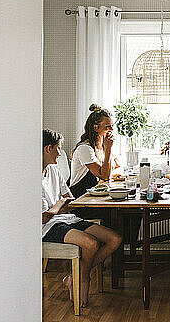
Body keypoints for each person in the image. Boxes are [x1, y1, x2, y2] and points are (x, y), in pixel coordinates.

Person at [41, 129, 122, 307]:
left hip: (66, 218)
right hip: (47, 228)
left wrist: (58, 206)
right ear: (48, 149)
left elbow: (70, 198)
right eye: (58, 148)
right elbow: (43, 217)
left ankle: (75, 276)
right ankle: (83, 280)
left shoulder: (53, 170)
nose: (60, 153)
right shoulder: (31, 177)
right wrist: (58, 206)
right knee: (91, 243)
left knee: (114, 239)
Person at [69, 104, 120, 198]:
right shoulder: (85, 148)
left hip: (95, 194)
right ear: (96, 127)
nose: (112, 130)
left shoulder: (101, 146)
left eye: (112, 126)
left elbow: (116, 165)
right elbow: (105, 175)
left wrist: (107, 149)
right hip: (81, 197)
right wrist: (108, 149)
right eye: (107, 126)